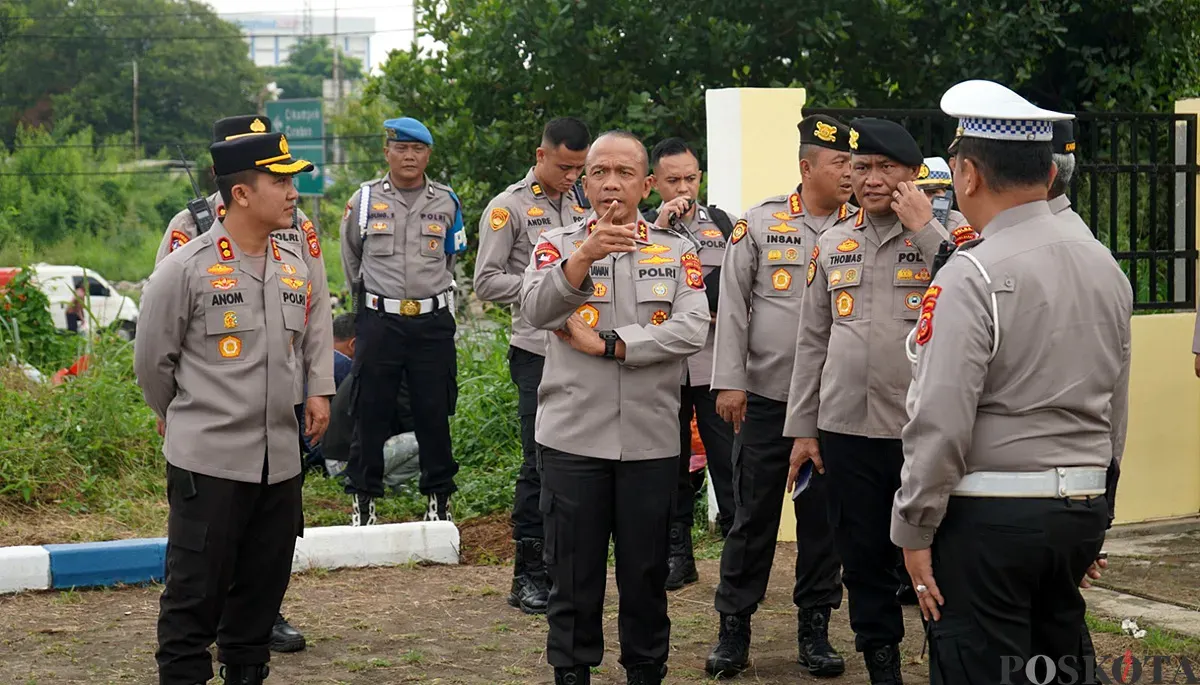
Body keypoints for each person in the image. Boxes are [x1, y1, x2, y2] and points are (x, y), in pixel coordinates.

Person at [892, 79, 1132, 684]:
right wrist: (1097, 511)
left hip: (989, 519)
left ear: (968, 175)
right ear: (1048, 173)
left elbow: (940, 419)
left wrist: (914, 527)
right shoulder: (1104, 264)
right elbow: (1116, 407)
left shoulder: (970, 273)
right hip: (1079, 508)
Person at [135, 131, 332, 685]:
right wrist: (193, 419)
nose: (293, 192)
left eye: (292, 180)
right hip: (210, 466)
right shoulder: (185, 268)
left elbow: (306, 341)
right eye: (280, 180)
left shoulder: (293, 264)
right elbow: (153, 365)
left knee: (256, 612)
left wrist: (317, 389)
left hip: (280, 465)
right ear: (240, 194)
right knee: (193, 604)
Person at [783, 117, 969, 684]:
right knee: (862, 558)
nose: (871, 179)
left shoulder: (953, 236)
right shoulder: (832, 241)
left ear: (912, 173)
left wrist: (925, 229)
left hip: (923, 431)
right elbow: (812, 340)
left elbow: (972, 298)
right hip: (847, 430)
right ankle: (882, 667)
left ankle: (948, 662)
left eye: (886, 167)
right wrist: (804, 429)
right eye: (860, 167)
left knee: (939, 556)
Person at [521, 131, 709, 685]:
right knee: (572, 573)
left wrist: (613, 345)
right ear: (584, 182)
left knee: (646, 573)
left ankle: (645, 669)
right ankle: (571, 671)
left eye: (624, 173)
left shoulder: (676, 250)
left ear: (646, 185)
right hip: (573, 438)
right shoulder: (556, 244)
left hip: (650, 440)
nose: (610, 184)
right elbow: (536, 311)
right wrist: (583, 256)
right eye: (599, 172)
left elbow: (693, 328)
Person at [704, 115, 854, 680]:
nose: (850, 173)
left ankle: (815, 628)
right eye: (839, 163)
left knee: (823, 521)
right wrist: (730, 380)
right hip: (767, 398)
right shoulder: (761, 223)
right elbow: (734, 304)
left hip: (832, 403)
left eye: (852, 163)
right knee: (752, 516)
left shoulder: (863, 225)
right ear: (806, 167)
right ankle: (734, 627)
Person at [473, 116, 591, 615]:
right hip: (537, 352)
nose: (572, 177)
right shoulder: (509, 208)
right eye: (565, 167)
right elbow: (485, 281)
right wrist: (547, 286)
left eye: (579, 168)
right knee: (538, 462)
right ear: (541, 155)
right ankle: (528, 575)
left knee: (577, 463)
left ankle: (564, 567)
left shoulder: (586, 203)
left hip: (584, 350)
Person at [339, 116, 468, 526]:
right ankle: (363, 501)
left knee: (433, 411)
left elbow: (450, 259)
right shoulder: (364, 201)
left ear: (428, 155)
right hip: (380, 320)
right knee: (370, 409)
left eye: (417, 149)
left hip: (432, 322)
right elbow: (351, 257)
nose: (409, 156)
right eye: (401, 148)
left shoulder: (447, 201)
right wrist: (372, 304)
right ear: (387, 152)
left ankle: (438, 500)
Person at [643, 137, 737, 590]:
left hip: (715, 368)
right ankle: (678, 555)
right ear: (653, 183)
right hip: (664, 369)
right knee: (670, 465)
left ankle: (739, 561)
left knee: (730, 464)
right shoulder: (641, 228)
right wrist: (661, 229)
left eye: (690, 178)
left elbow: (742, 289)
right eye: (673, 180)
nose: (683, 188)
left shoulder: (725, 225)